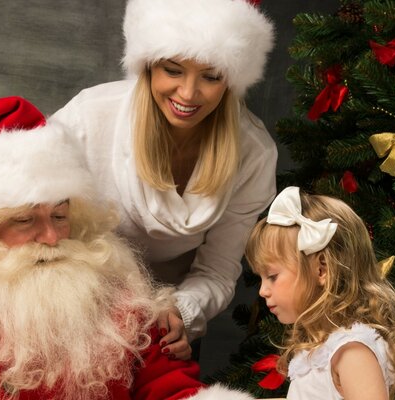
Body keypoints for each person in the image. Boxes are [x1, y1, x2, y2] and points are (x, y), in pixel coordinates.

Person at [0, 120, 257, 400]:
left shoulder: (110, 287)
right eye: (24, 221)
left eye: (60, 215)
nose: (52, 237)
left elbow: (167, 388)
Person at [47, 0, 277, 359]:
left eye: (211, 76)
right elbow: (29, 221)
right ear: (149, 66)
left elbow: (217, 270)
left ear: (231, 79)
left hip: (166, 331)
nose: (188, 94)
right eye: (173, 70)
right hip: (70, 309)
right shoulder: (88, 118)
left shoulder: (253, 153)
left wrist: (180, 311)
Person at [245, 186, 395, 400]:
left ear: (322, 269)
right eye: (260, 279)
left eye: (272, 276)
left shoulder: (353, 355)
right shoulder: (322, 351)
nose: (263, 291)